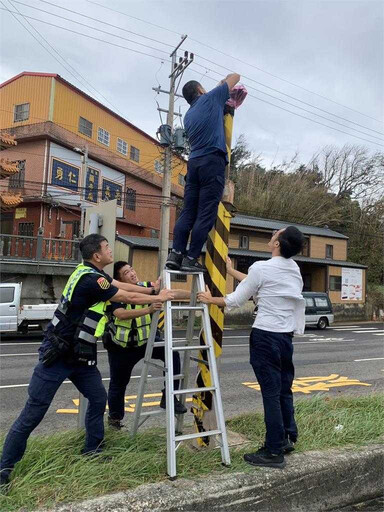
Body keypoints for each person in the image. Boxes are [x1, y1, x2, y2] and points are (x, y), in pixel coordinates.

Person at [0, 235, 174, 489]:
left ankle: (93, 448)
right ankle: (5, 468)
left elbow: (118, 285)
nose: (110, 250)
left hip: (82, 354)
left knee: (97, 397)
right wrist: (157, 296)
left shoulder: (91, 272)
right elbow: (126, 297)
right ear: (97, 255)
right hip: (58, 354)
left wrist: (153, 291)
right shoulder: (90, 279)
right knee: (33, 412)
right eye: (106, 248)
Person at [198, 227, 305, 469]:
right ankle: (287, 437)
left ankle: (273, 450)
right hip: (285, 338)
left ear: (277, 243)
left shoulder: (261, 268)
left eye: (276, 233)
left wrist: (209, 299)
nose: (273, 233)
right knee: (283, 389)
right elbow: (259, 283)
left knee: (270, 393)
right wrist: (229, 271)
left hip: (265, 336)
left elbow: (234, 300)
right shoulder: (294, 269)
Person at [166, 73, 240, 273]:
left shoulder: (189, 115)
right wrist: (221, 84)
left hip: (194, 163)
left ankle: (176, 254)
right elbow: (235, 76)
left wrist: (216, 90)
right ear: (200, 90)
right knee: (206, 213)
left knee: (189, 211)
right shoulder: (210, 99)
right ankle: (191, 259)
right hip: (212, 162)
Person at [105, 261, 190, 428]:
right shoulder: (115, 292)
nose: (132, 273)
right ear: (119, 279)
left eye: (132, 269)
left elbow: (170, 293)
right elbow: (120, 314)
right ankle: (115, 421)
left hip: (146, 342)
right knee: (118, 384)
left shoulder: (146, 287)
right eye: (126, 272)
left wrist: (196, 294)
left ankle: (168, 397)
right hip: (122, 348)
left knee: (172, 354)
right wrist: (148, 310)